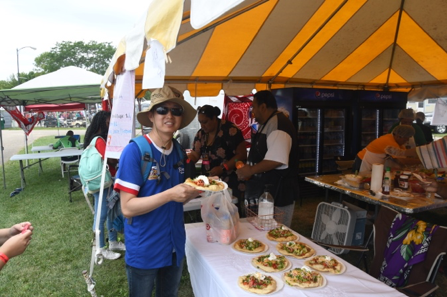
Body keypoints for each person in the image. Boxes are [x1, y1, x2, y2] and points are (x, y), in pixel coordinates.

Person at [114, 85, 201, 297]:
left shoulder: (179, 151)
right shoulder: (135, 151)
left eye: (176, 110)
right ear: (152, 115)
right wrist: (171, 194)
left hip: (174, 243)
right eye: (162, 110)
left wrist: (194, 191)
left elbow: (176, 200)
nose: (169, 115)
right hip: (145, 247)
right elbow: (127, 207)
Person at [236, 90, 299, 228]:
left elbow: (276, 159)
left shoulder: (278, 124)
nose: (252, 111)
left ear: (263, 107)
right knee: (259, 233)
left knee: (275, 235)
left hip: (277, 195)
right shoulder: (268, 123)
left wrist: (251, 170)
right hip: (265, 193)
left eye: (254, 107)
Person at [188, 105, 247, 212]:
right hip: (210, 182)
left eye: (205, 122)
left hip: (231, 181)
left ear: (214, 118)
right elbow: (196, 154)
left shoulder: (230, 130)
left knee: (229, 213)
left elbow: (241, 155)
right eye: (200, 122)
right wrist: (186, 161)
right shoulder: (201, 134)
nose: (202, 125)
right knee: (210, 212)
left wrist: (223, 167)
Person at [83, 111, 124, 260]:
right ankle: (100, 248)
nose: (110, 125)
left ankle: (112, 241)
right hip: (103, 182)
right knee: (101, 216)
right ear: (101, 123)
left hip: (105, 181)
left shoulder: (96, 140)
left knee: (109, 213)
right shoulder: (99, 140)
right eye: (108, 122)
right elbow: (110, 160)